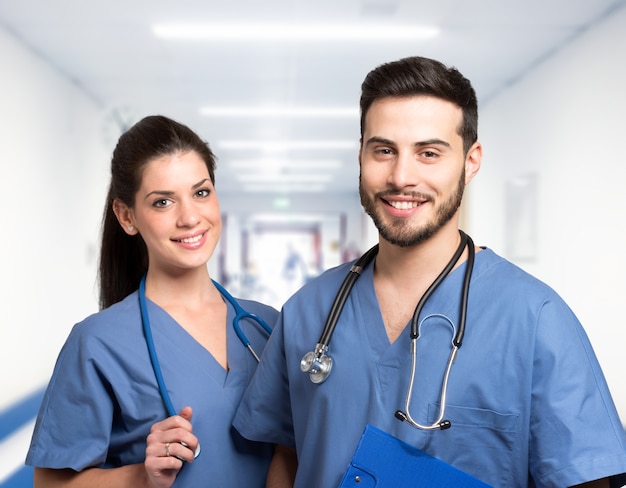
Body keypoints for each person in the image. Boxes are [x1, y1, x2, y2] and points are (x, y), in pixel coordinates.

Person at [233, 56, 626, 487]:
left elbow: (586, 479)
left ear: (471, 161)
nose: (402, 176)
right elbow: (287, 458)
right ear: (361, 156)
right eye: (384, 150)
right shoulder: (309, 310)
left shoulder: (534, 317)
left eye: (429, 153)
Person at [26, 115, 278, 487]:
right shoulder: (98, 343)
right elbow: (48, 483)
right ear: (127, 216)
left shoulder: (266, 325)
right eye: (163, 202)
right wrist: (141, 477)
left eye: (201, 192)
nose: (190, 217)